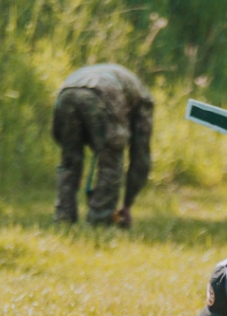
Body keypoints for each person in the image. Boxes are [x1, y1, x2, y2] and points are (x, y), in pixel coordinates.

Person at [51, 63, 154, 227]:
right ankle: (99, 220)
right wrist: (127, 205)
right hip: (103, 92)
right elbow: (140, 156)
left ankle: (63, 216)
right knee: (111, 161)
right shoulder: (144, 100)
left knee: (69, 161)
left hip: (66, 92)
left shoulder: (129, 88)